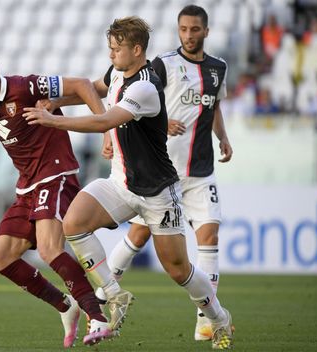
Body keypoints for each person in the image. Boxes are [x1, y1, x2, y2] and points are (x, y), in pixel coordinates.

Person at [23, 16, 234, 350]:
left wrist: (53, 121)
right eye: (109, 49)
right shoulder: (119, 72)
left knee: (178, 270)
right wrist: (57, 103)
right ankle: (113, 294)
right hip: (120, 183)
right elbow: (95, 88)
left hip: (157, 192)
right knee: (73, 223)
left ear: (137, 50)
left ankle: (219, 318)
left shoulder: (146, 88)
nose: (111, 55)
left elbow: (106, 119)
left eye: (117, 50)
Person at [0, 51, 118, 347]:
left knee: (48, 248)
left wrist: (105, 129)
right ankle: (65, 306)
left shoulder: (26, 87)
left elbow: (82, 85)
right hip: (27, 185)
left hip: (55, 173)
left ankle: (97, 316)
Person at [98, 5, 234, 343]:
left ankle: (206, 319)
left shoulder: (219, 69)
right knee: (139, 237)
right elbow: (140, 95)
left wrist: (224, 137)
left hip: (201, 170)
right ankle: (104, 294)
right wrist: (163, 121)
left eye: (194, 29)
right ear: (178, 31)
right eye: (183, 29)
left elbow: (213, 106)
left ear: (206, 31)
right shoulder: (162, 63)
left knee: (209, 238)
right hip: (162, 173)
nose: (188, 35)